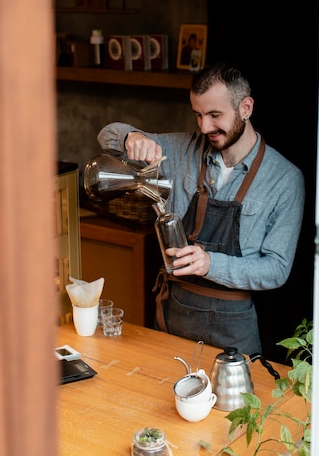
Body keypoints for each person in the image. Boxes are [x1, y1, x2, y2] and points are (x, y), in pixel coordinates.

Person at [97, 63, 305, 354]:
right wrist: (132, 137)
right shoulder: (181, 149)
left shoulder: (285, 179)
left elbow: (276, 269)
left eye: (215, 115)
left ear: (246, 107)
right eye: (198, 114)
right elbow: (108, 135)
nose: (204, 127)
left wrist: (210, 264)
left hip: (233, 334)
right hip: (170, 317)